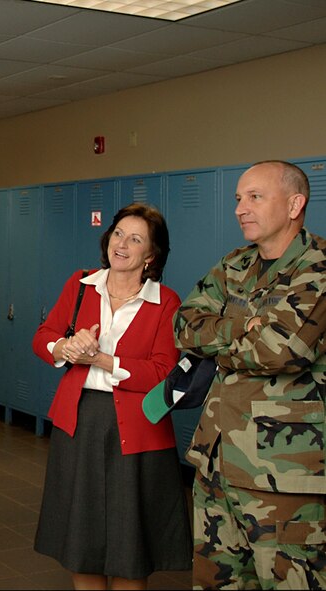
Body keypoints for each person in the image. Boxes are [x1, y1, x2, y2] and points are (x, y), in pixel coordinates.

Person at [174, 160, 325, 589]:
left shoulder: (317, 268)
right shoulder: (234, 265)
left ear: (295, 204)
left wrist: (220, 339)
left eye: (255, 197)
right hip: (216, 461)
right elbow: (184, 326)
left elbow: (280, 350)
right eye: (238, 198)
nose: (241, 208)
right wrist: (245, 326)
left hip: (283, 476)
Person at [31, 203, 192, 590]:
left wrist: (101, 358)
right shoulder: (81, 284)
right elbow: (43, 337)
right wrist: (65, 348)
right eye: (118, 233)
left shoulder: (165, 301)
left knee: (129, 547)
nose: (122, 244)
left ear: (151, 255)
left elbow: (162, 372)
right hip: (80, 423)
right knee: (81, 540)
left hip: (138, 432)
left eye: (135, 239)